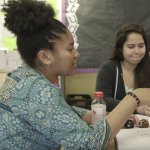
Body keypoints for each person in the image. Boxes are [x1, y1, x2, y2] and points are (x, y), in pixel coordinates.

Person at [1, 1, 150, 149]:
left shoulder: (22, 78)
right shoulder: (36, 90)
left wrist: (113, 115)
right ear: (45, 57)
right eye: (70, 49)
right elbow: (90, 144)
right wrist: (134, 98)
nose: (76, 54)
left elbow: (62, 111)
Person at [96, 23, 150, 116]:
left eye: (141, 46)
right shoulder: (108, 68)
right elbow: (103, 100)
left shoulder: (148, 65)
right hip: (119, 125)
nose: (137, 51)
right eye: (131, 47)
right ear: (120, 48)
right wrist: (136, 109)